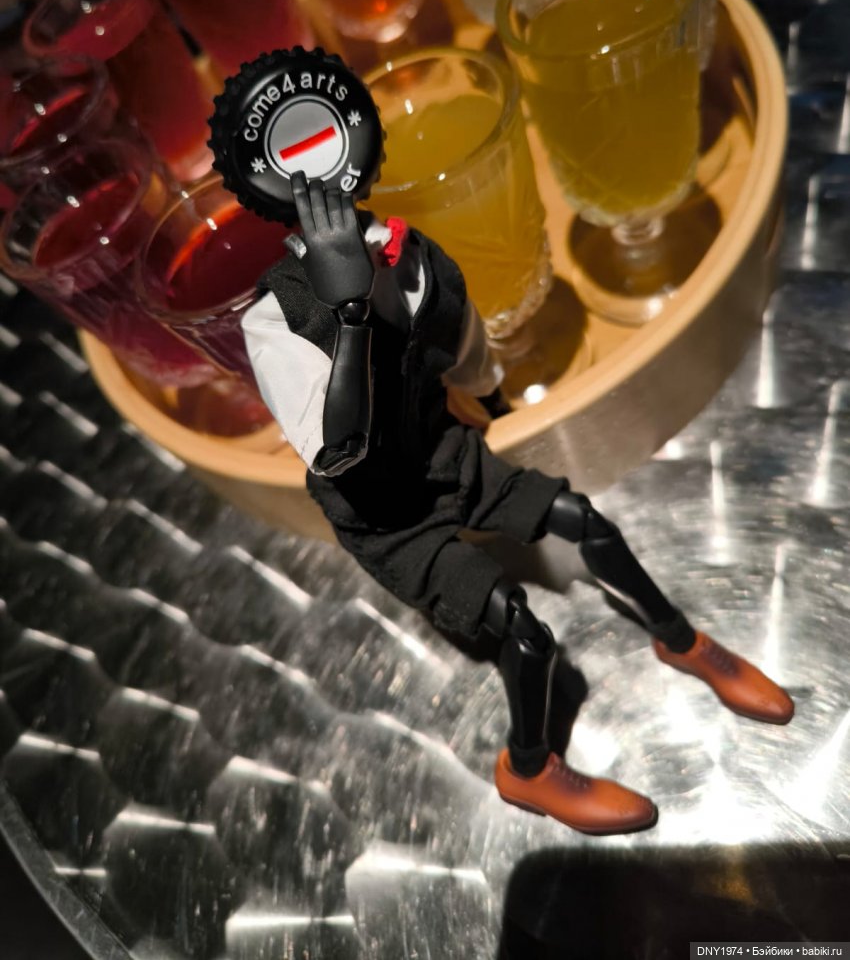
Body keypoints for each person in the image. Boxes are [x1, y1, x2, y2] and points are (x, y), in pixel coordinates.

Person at [211, 48, 794, 836]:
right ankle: (528, 767)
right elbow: (335, 448)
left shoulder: (410, 254)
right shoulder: (274, 316)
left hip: (444, 451)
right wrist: (349, 313)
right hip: (384, 512)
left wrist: (487, 400)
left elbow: (465, 345)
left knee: (584, 518)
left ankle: (681, 640)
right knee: (525, 629)